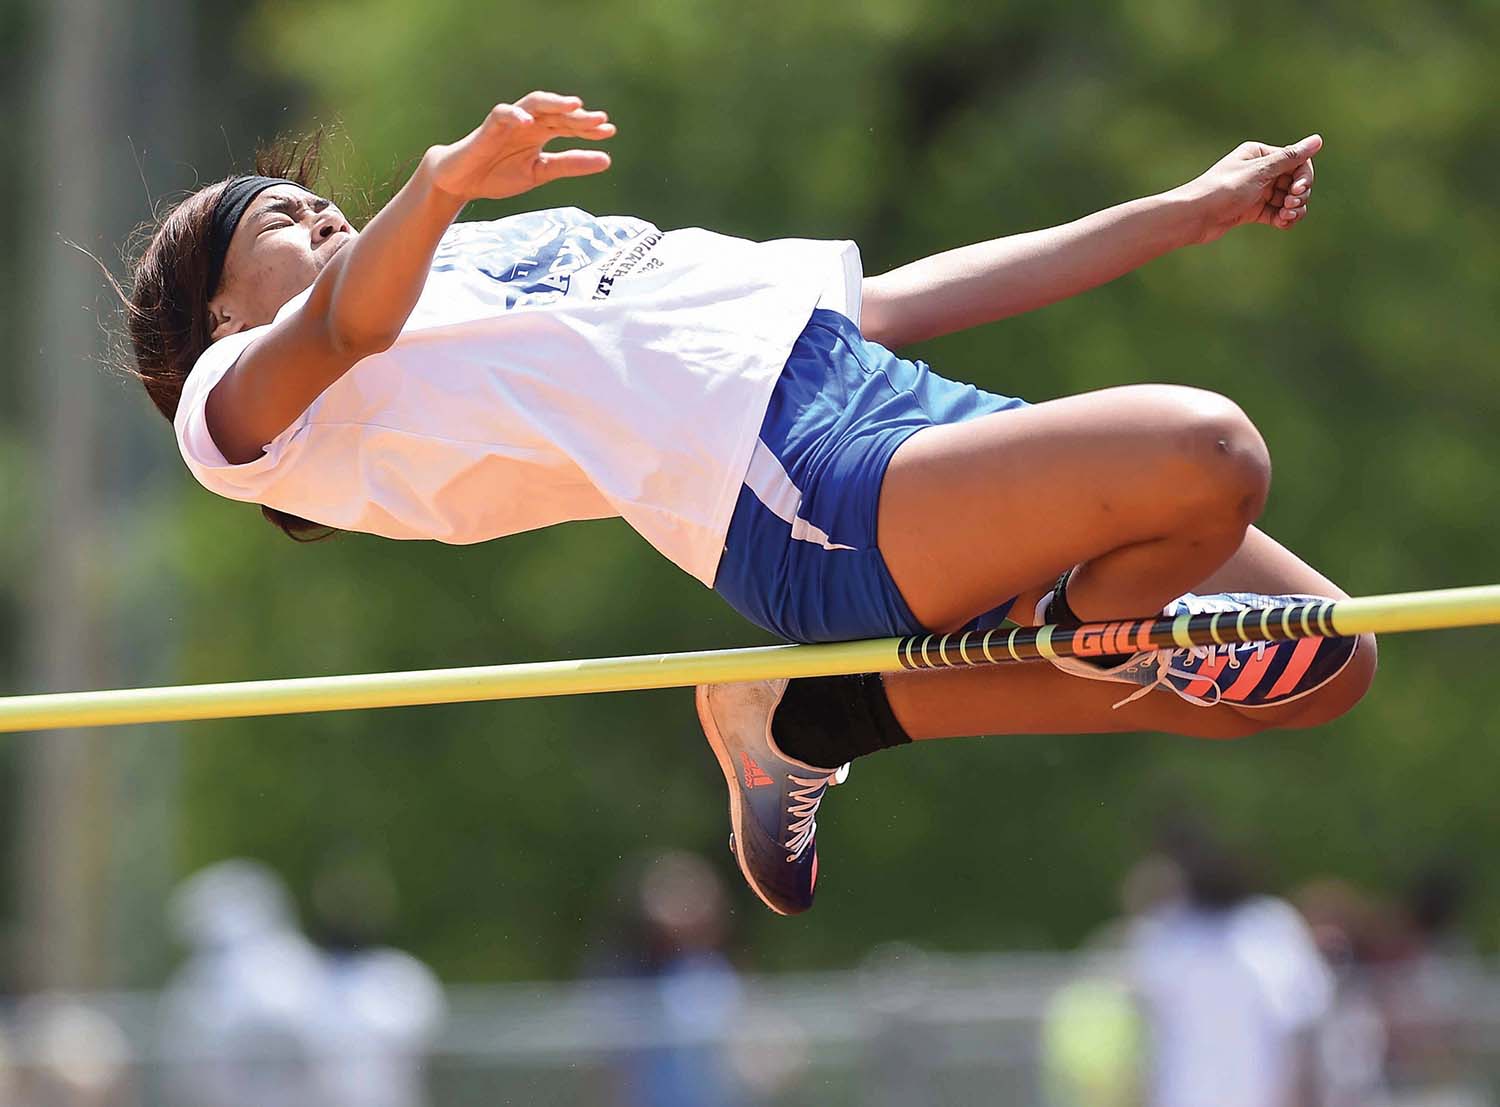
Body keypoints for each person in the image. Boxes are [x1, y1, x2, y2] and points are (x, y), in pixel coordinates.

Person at [118, 90, 1376, 917]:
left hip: (892, 401)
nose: (322, 209)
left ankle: (822, 709)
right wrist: (441, 182)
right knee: (1209, 455)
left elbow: (889, 302)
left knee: (1330, 661)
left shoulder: (503, 249)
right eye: (281, 218)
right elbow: (348, 317)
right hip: (788, 491)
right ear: (219, 316)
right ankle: (1055, 630)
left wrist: (1180, 212)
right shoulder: (239, 409)